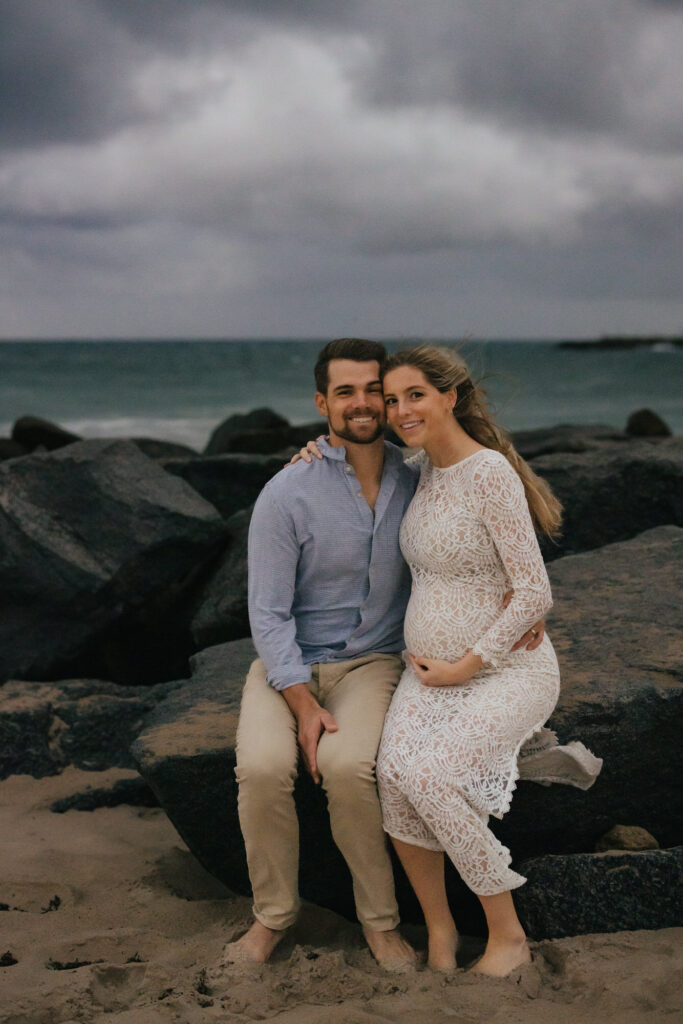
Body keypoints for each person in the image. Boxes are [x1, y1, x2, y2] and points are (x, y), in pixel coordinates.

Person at [227, 338, 550, 970]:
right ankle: (272, 918)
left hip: (373, 665)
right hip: (288, 666)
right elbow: (265, 614)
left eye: (376, 389)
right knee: (263, 769)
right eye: (345, 392)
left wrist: (511, 610)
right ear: (322, 403)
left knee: (352, 770)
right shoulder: (288, 491)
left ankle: (381, 925)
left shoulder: (417, 471)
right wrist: (300, 702)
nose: (366, 403)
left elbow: (490, 535)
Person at [374, 345, 566, 977]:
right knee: (394, 779)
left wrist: (470, 663)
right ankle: (440, 928)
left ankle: (507, 933)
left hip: (504, 669)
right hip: (428, 675)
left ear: (450, 397)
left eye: (415, 396)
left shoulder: (488, 473)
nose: (402, 411)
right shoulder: (421, 465)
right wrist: (314, 452)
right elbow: (354, 462)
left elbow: (534, 590)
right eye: (393, 399)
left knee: (431, 776)